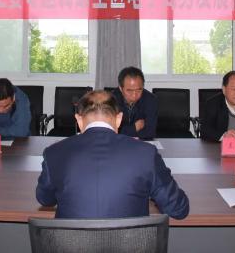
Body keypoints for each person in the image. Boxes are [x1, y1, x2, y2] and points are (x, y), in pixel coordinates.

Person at [35, 90, 189, 219]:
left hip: (70, 243)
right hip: (131, 243)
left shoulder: (54, 153)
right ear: (119, 119)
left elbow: (45, 199)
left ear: (78, 120)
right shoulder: (146, 153)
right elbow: (178, 209)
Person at [111, 66, 158, 139]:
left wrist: (124, 130)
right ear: (120, 88)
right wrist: (135, 127)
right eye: (129, 91)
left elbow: (150, 133)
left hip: (141, 142)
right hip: (117, 142)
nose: (134, 95)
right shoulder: (110, 100)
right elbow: (110, 132)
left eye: (139, 90)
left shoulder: (150, 100)